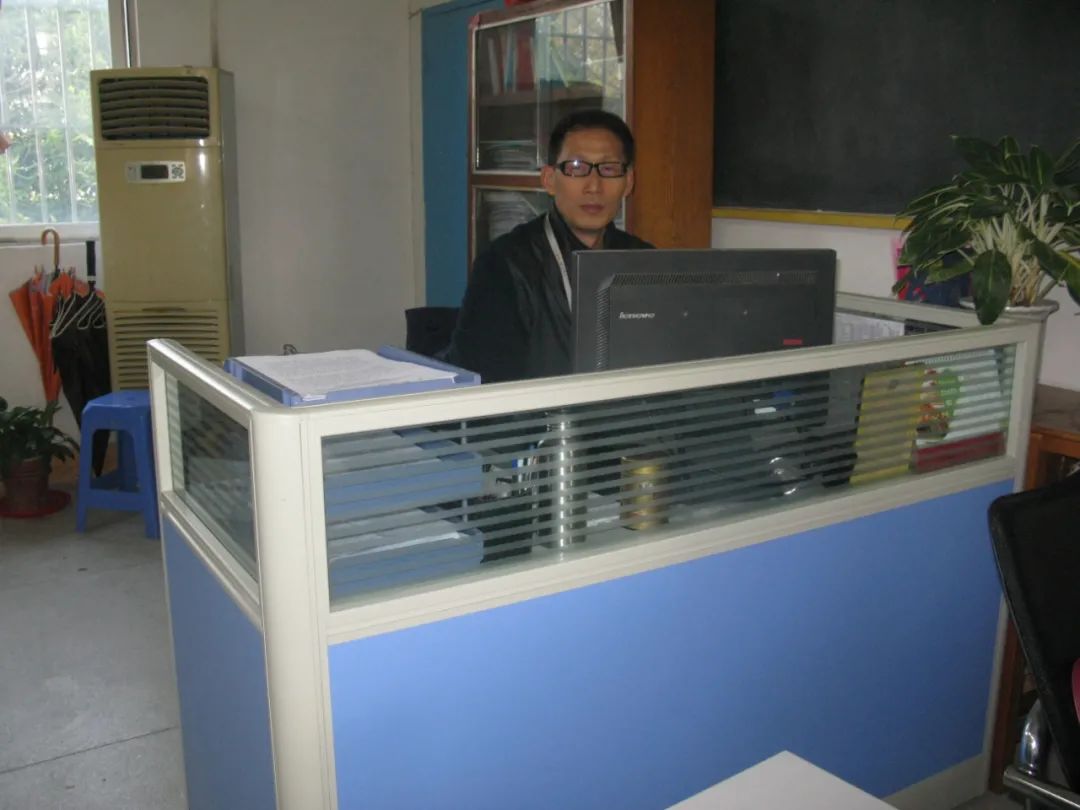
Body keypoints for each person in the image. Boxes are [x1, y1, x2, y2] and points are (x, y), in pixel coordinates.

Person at [445, 109, 653, 383]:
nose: (594, 186)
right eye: (576, 168)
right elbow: (486, 386)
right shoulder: (504, 265)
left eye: (609, 168)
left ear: (628, 182)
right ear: (549, 180)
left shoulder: (647, 262)